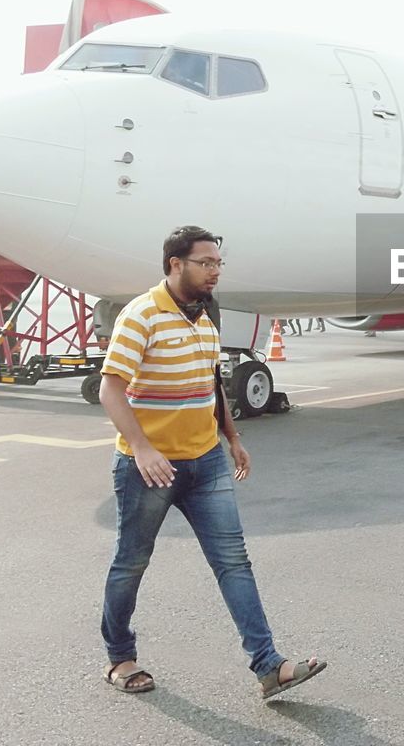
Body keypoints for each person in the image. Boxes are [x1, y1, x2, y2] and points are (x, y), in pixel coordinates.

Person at [98, 225, 325, 699]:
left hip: (207, 462)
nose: (215, 271)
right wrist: (141, 446)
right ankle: (120, 657)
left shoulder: (204, 320)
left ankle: (269, 665)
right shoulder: (140, 315)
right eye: (206, 263)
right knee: (131, 563)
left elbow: (212, 384)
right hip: (149, 469)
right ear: (175, 265)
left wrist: (233, 438)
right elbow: (111, 389)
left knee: (233, 561)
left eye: (218, 263)